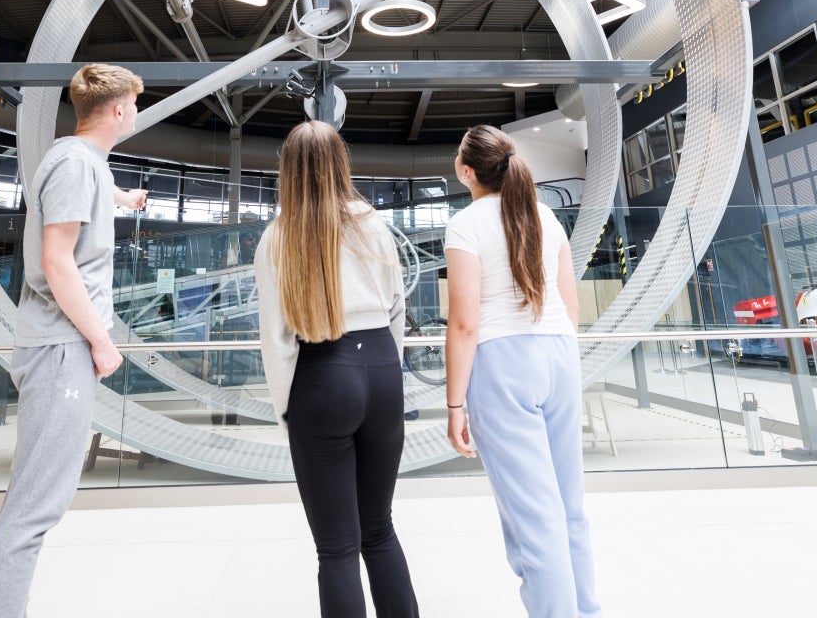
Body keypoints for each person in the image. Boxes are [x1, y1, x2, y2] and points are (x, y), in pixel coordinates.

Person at [0, 63, 147, 618]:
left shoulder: (85, 163)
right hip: (61, 347)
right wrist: (101, 341)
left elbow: (94, 195)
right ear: (119, 109)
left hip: (58, 345)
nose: (138, 113)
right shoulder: (75, 164)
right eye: (136, 105)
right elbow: (57, 261)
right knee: (34, 507)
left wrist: (127, 201)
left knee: (40, 501)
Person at [256, 121, 421, 618]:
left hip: (322, 374)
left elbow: (277, 336)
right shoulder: (374, 223)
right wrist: (386, 372)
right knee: (379, 529)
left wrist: (287, 408)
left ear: (289, 171)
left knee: (337, 548)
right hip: (381, 369)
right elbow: (396, 307)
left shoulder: (279, 235)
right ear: (340, 164)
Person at [443, 124, 600, 618]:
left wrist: (453, 404)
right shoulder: (546, 217)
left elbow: (465, 323)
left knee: (534, 518)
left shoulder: (465, 224)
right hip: (558, 354)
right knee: (568, 507)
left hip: (502, 362)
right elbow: (569, 304)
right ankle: (585, 610)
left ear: (467, 170)